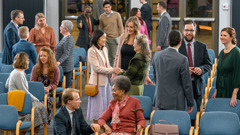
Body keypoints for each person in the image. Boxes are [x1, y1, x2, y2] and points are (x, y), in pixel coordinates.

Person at [6, 52, 48, 135]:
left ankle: (24, 130)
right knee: (40, 106)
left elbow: (6, 85)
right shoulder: (19, 74)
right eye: (28, 60)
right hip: (19, 102)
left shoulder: (14, 72)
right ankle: (31, 131)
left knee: (37, 108)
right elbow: (25, 92)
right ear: (24, 61)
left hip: (15, 101)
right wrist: (36, 99)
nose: (28, 61)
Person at [152, 30, 194, 112]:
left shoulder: (156, 55)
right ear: (180, 42)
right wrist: (190, 102)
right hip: (176, 102)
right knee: (176, 124)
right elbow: (187, 84)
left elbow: (155, 77)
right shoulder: (182, 59)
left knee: (161, 123)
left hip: (160, 99)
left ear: (167, 41)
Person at [87, 29, 122, 122]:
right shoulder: (91, 51)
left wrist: (114, 70)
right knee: (97, 108)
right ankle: (98, 129)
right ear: (97, 38)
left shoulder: (105, 49)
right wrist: (112, 70)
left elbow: (107, 65)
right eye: (103, 38)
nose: (105, 40)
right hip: (97, 83)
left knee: (107, 106)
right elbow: (96, 68)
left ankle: (104, 127)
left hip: (107, 82)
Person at [179, 20, 212, 110]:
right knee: (182, 114)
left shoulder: (202, 46)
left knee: (197, 113)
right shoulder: (177, 47)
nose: (189, 33)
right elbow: (173, 67)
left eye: (191, 30)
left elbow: (208, 64)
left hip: (197, 85)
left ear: (195, 31)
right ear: (183, 31)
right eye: (187, 30)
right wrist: (185, 71)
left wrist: (201, 69)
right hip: (181, 86)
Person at [113, 16, 153, 85]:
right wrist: (114, 71)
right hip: (122, 71)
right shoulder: (123, 37)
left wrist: (146, 75)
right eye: (127, 26)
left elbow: (146, 57)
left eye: (131, 27)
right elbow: (117, 55)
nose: (128, 29)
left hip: (134, 74)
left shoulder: (140, 39)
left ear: (136, 27)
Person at [30, 47, 60, 123]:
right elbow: (32, 82)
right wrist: (40, 89)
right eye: (41, 56)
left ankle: (43, 121)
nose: (42, 58)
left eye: (44, 56)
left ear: (49, 57)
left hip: (48, 91)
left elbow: (55, 84)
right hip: (36, 91)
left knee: (46, 99)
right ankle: (35, 122)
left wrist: (49, 88)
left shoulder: (55, 69)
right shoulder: (35, 68)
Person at [212, 27, 240, 107]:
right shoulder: (221, 52)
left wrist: (234, 94)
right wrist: (216, 90)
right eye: (221, 35)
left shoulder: (237, 53)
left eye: (225, 35)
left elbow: (238, 75)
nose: (222, 37)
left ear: (231, 37)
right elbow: (219, 73)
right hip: (221, 89)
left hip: (231, 89)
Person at [99, 0, 124, 66]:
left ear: (111, 7)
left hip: (114, 39)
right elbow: (101, 28)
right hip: (105, 39)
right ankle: (106, 70)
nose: (107, 9)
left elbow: (120, 26)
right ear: (103, 8)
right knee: (105, 55)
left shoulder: (116, 15)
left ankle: (113, 72)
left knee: (113, 56)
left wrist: (122, 38)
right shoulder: (102, 17)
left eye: (108, 7)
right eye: (105, 7)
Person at [55, 20, 74, 88]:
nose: (60, 27)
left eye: (61, 26)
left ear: (65, 29)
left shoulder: (68, 39)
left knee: (65, 87)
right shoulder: (65, 37)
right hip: (62, 66)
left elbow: (66, 53)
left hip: (65, 67)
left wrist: (58, 62)